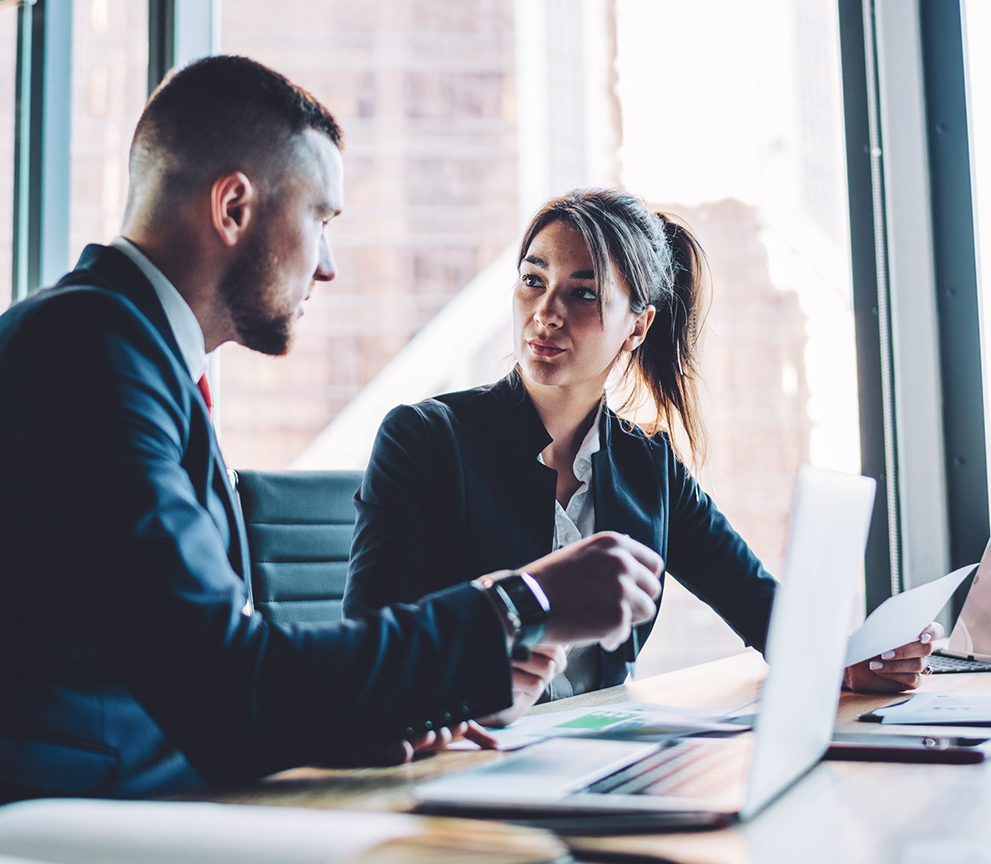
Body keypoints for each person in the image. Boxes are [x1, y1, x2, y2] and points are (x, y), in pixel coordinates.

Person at [0, 58, 664, 835]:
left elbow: (200, 673)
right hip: (34, 816)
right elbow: (227, 683)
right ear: (234, 208)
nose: (329, 265)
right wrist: (525, 604)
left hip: (131, 793)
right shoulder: (83, 356)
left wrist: (343, 727)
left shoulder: (131, 354)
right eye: (322, 218)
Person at [344, 188, 939, 725]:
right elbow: (364, 648)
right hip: (456, 751)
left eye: (583, 294)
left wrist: (846, 660)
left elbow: (756, 603)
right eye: (533, 280)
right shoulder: (425, 437)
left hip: (594, 744)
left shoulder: (647, 467)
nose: (546, 313)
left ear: (637, 327)